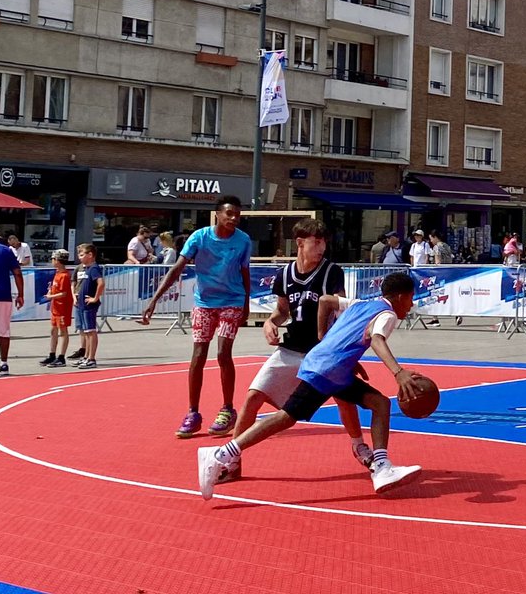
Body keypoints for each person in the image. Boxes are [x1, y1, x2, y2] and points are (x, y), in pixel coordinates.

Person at [196, 271, 423, 500]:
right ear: (400, 297)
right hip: (327, 370)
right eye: (411, 298)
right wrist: (399, 373)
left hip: (330, 367)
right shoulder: (387, 314)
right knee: (286, 417)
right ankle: (220, 455)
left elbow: (325, 301)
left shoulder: (360, 304)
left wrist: (325, 339)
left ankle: (381, 466)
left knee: (380, 403)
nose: (411, 305)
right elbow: (376, 339)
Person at [229, 219, 371, 481]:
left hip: (323, 351)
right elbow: (282, 311)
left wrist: (347, 352)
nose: (321, 247)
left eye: (324, 242)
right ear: (300, 243)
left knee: (344, 400)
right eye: (316, 242)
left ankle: (358, 445)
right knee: (252, 397)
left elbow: (341, 312)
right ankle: (232, 460)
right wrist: (270, 323)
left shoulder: (331, 272)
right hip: (291, 348)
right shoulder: (284, 274)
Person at [139, 195, 251, 439]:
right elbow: (177, 268)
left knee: (223, 353)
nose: (234, 218)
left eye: (237, 214)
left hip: (232, 301)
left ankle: (227, 409)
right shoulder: (199, 237)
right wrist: (154, 299)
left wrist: (246, 304)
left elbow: (245, 272)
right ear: (217, 215)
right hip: (204, 302)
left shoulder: (243, 240)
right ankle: (193, 413)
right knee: (199, 354)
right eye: (229, 213)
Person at [0, 229, 25, 375]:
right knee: (3, 331)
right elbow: (17, 273)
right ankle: (4, 363)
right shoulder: (6, 250)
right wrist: (20, 294)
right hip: (3, 294)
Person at [70, 243, 105, 369]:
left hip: (89, 305)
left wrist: (95, 298)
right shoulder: (85, 269)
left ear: (90, 255)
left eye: (81, 255)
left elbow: (101, 283)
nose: (79, 257)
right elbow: (75, 283)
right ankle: (86, 357)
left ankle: (91, 358)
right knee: (86, 331)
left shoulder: (94, 268)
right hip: (81, 304)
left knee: (90, 331)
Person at [40, 249, 74, 367]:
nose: (52, 261)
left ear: (58, 260)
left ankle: (61, 357)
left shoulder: (64, 275)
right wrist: (50, 292)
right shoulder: (57, 273)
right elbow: (55, 288)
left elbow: (64, 293)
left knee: (63, 331)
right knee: (53, 329)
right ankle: (52, 354)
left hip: (63, 307)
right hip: (56, 307)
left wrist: (51, 297)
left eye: (53, 259)